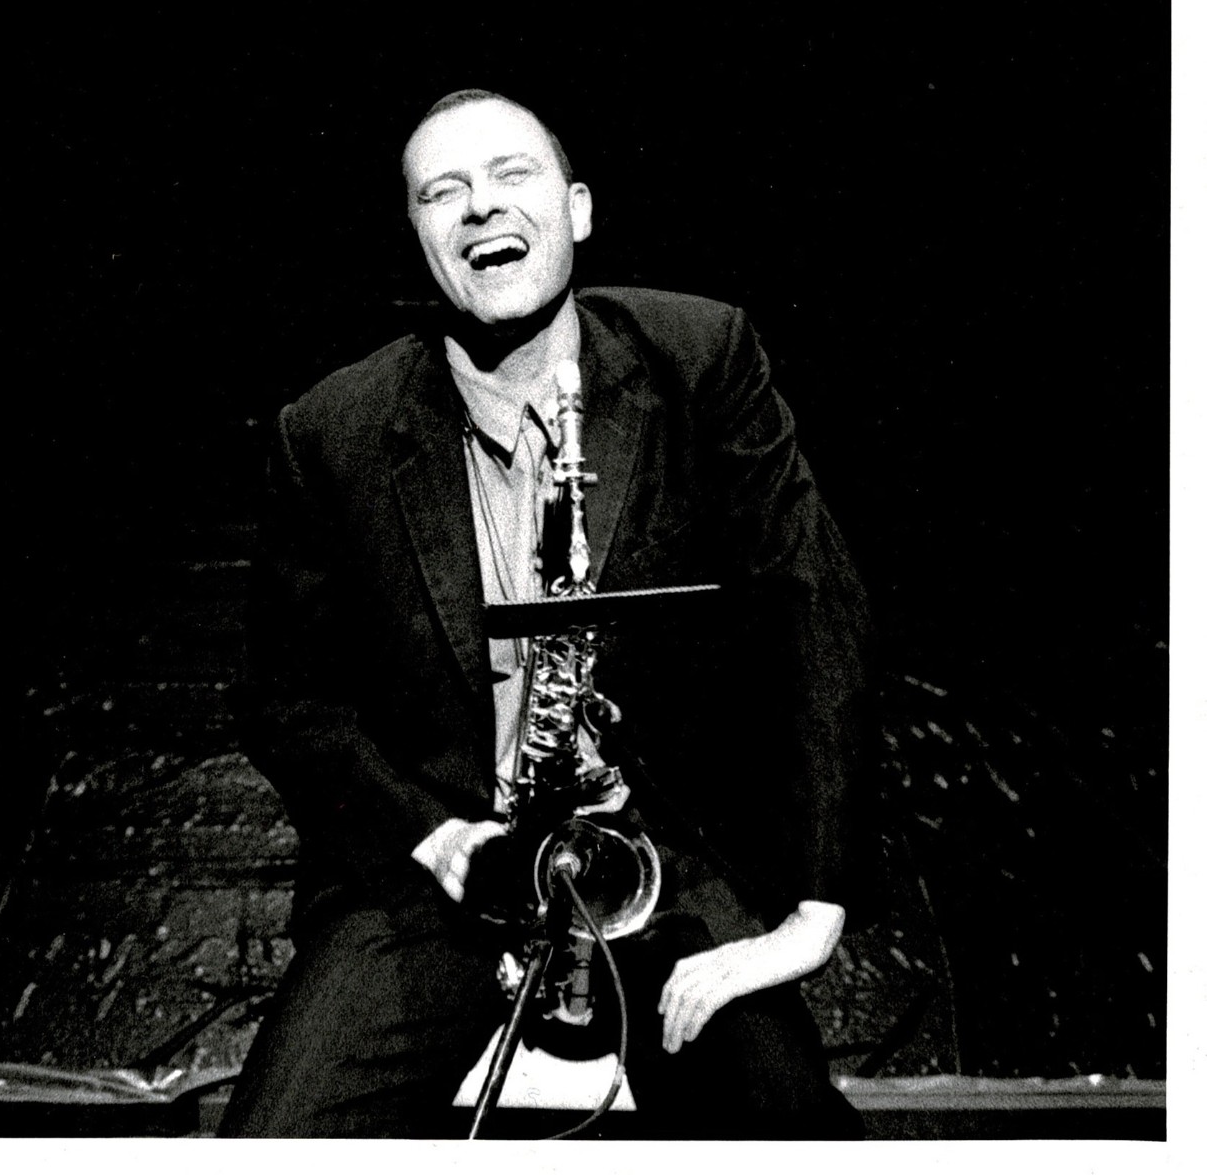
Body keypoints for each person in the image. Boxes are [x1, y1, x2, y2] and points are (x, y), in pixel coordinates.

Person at [220, 89, 872, 1138]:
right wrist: (432, 836)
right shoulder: (330, 429)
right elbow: (285, 700)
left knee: (784, 1123)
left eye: (511, 173)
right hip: (447, 863)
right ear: (419, 238)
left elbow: (814, 609)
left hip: (654, 852)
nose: (480, 205)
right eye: (442, 191)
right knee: (278, 1143)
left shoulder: (700, 355)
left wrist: (814, 909)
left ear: (578, 210)